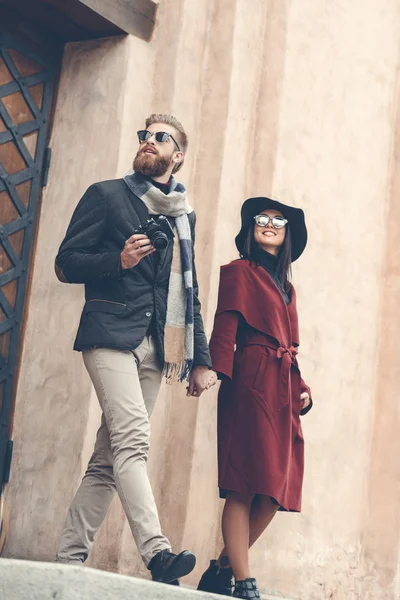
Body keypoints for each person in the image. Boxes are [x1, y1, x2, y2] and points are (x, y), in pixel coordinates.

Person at [54, 114, 215, 585]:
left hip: (157, 348)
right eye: (144, 136)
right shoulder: (106, 196)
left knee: (108, 460)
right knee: (133, 441)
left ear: (177, 155)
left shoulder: (184, 215)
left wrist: (199, 358)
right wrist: (117, 260)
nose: (148, 142)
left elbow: (191, 290)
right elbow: (66, 263)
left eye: (159, 137)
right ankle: (157, 553)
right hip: (109, 334)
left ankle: (66, 562)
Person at [197, 197, 312, 598]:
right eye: (261, 219)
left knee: (275, 490)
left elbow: (291, 347)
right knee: (243, 484)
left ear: (287, 235)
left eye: (277, 221)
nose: (269, 224)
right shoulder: (238, 272)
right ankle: (242, 581)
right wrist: (212, 368)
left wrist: (302, 391)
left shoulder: (288, 289)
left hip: (282, 390)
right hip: (248, 382)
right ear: (251, 229)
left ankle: (222, 567)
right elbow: (225, 325)